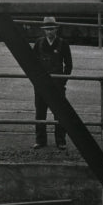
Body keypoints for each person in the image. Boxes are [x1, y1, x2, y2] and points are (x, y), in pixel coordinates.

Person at [32, 16, 73, 150]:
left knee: (59, 113)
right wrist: (36, 81)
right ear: (44, 31)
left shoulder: (63, 44)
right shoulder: (38, 43)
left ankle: (60, 141)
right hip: (41, 85)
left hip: (57, 85)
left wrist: (62, 80)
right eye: (47, 29)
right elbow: (31, 63)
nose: (49, 32)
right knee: (40, 113)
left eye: (52, 29)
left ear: (56, 29)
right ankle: (40, 140)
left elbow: (69, 65)